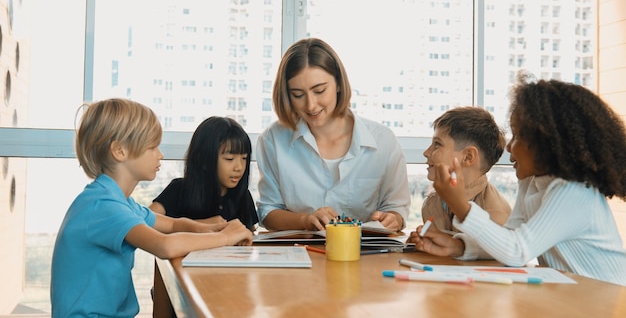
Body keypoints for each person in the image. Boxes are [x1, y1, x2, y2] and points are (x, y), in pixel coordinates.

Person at [409, 78, 626, 286]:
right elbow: (509, 239)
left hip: (608, 299)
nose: (510, 148)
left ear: (547, 144)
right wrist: (458, 246)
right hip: (572, 295)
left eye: (518, 137)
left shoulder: (573, 191)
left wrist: (461, 207)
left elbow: (517, 251)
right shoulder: (532, 183)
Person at [50, 99, 253, 317]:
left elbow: (173, 224)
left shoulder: (120, 202)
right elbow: (164, 245)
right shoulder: (103, 207)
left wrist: (213, 229)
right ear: (120, 151)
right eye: (152, 147)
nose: (160, 155)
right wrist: (225, 238)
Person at [256, 37, 411, 232]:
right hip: (300, 253)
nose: (311, 105)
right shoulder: (272, 140)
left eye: (319, 91)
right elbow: (268, 212)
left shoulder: (383, 141)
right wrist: (305, 220)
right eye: (298, 94)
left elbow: (396, 208)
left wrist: (393, 218)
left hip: (365, 258)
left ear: (338, 83)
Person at [150, 116, 258, 231]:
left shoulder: (242, 195)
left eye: (244, 158)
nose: (239, 167)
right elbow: (143, 223)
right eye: (229, 159)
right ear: (204, 159)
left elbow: (250, 234)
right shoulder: (178, 189)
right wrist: (200, 226)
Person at [420, 106, 511, 234]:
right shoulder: (431, 204)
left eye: (437, 144)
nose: (426, 152)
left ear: (468, 157)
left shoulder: (495, 215)